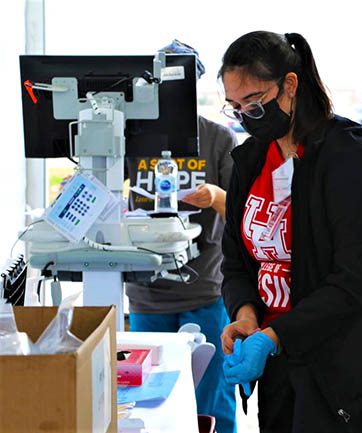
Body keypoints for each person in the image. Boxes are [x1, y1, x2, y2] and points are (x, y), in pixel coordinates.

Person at [219, 31, 362, 433]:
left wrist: (274, 336)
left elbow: (359, 278)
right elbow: (236, 261)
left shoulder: (349, 159)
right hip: (276, 352)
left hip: (338, 359)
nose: (245, 116)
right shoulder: (249, 161)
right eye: (235, 107)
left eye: (255, 102)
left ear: (290, 86)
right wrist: (246, 316)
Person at [125, 40, 238, 433]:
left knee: (212, 398)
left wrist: (216, 195)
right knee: (146, 400)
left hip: (204, 288)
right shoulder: (132, 138)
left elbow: (241, 210)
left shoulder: (218, 139)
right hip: (146, 293)